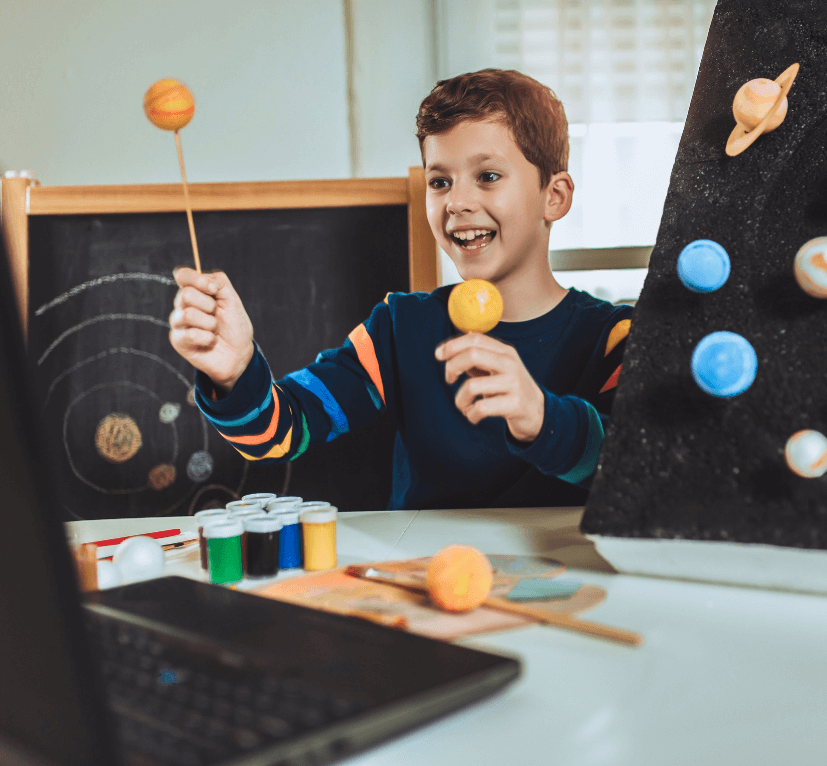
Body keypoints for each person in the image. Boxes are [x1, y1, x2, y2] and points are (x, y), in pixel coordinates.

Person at [169, 68, 633, 510]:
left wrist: (541, 416)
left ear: (555, 197)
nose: (457, 202)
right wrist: (234, 372)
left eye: (488, 176)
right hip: (423, 577)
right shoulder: (401, 327)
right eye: (439, 181)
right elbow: (280, 432)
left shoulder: (616, 338)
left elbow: (638, 475)